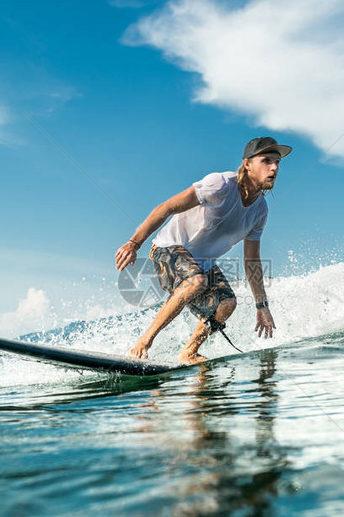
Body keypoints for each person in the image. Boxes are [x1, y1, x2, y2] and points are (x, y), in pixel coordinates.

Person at [115, 136, 292, 364]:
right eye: (266, 160)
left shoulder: (260, 211)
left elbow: (252, 261)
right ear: (247, 164)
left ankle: (189, 351)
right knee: (195, 281)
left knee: (227, 303)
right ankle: (142, 343)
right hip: (167, 247)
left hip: (201, 263)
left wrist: (262, 306)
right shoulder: (220, 185)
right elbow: (167, 207)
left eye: (277, 162)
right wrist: (134, 243)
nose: (274, 167)